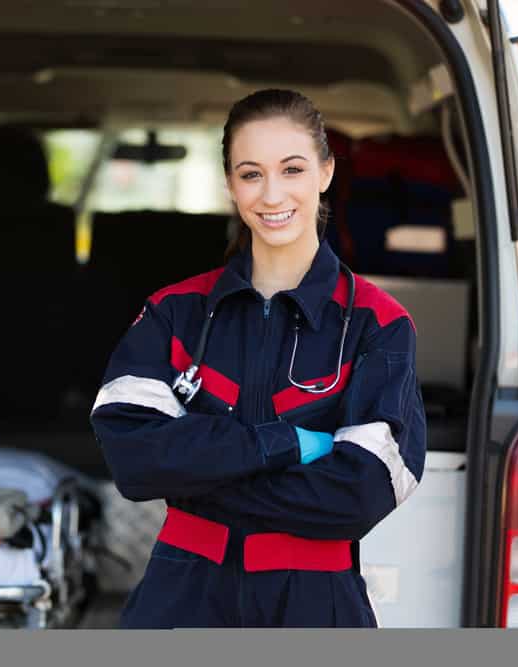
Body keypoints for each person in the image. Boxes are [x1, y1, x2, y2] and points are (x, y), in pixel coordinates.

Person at [90, 89, 426, 628]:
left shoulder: (378, 323)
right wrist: (286, 444)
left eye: (291, 169)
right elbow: (134, 460)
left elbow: (361, 493)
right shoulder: (173, 312)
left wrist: (197, 475)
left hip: (316, 603)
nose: (272, 195)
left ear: (325, 172)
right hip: (181, 594)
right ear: (230, 184)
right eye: (251, 174)